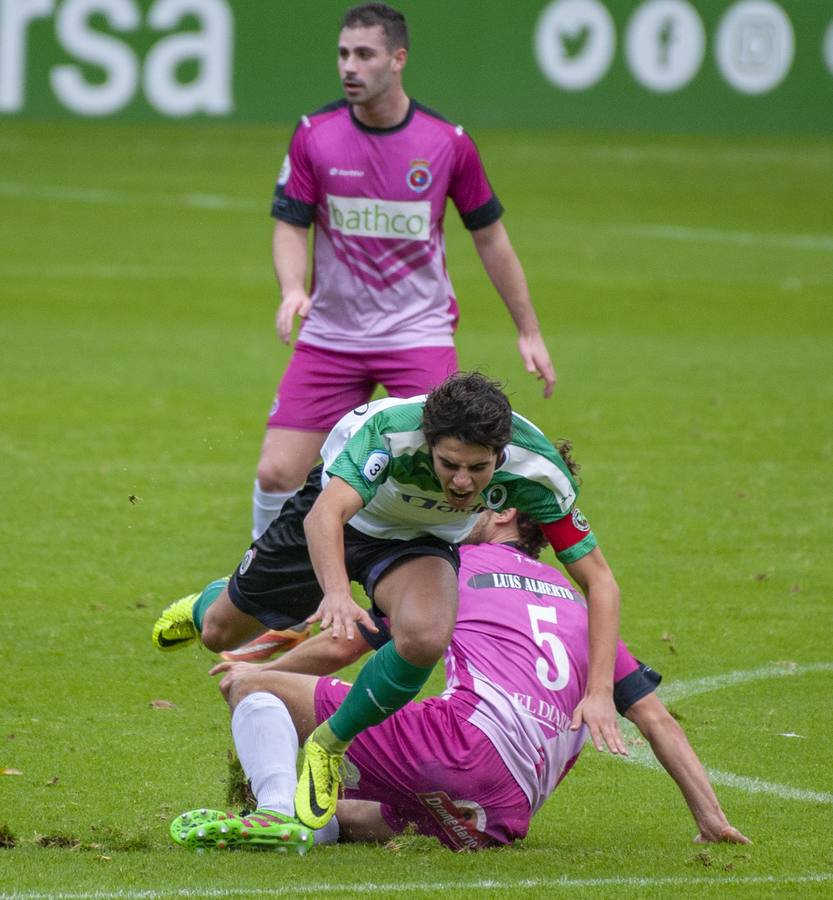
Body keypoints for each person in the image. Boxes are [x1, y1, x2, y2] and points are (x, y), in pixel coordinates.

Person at [152, 372, 624, 830]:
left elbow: (600, 581)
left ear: (500, 456)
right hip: (340, 515)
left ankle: (328, 745)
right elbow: (326, 517)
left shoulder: (538, 472)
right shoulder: (390, 433)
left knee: (424, 635)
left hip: (419, 539)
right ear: (429, 442)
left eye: (478, 469)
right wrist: (336, 595)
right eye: (449, 465)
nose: (462, 483)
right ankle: (204, 605)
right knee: (219, 632)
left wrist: (599, 690)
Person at [169, 509, 749, 853]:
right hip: (498, 817)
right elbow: (657, 718)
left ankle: (271, 815)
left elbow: (349, 641)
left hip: (459, 747)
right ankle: (300, 827)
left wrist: (259, 675)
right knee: (337, 808)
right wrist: (710, 818)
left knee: (252, 694)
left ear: (501, 512)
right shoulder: (581, 609)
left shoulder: (454, 568)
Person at [251, 1, 556, 540]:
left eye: (364, 54)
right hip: (331, 335)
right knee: (277, 471)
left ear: (398, 59)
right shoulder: (314, 135)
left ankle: (460, 592)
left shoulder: (447, 144)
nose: (349, 66)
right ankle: (272, 599)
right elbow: (290, 224)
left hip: (416, 333)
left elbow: (490, 236)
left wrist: (528, 329)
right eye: (343, 53)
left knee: (449, 470)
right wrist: (292, 288)